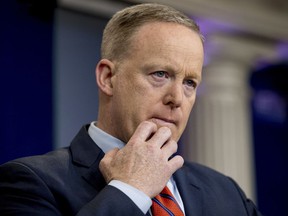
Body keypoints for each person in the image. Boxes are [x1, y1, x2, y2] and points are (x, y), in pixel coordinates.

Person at [0, 3, 262, 216]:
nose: (177, 98)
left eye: (190, 83)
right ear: (108, 77)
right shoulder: (30, 183)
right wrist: (130, 191)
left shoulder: (226, 193)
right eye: (160, 74)